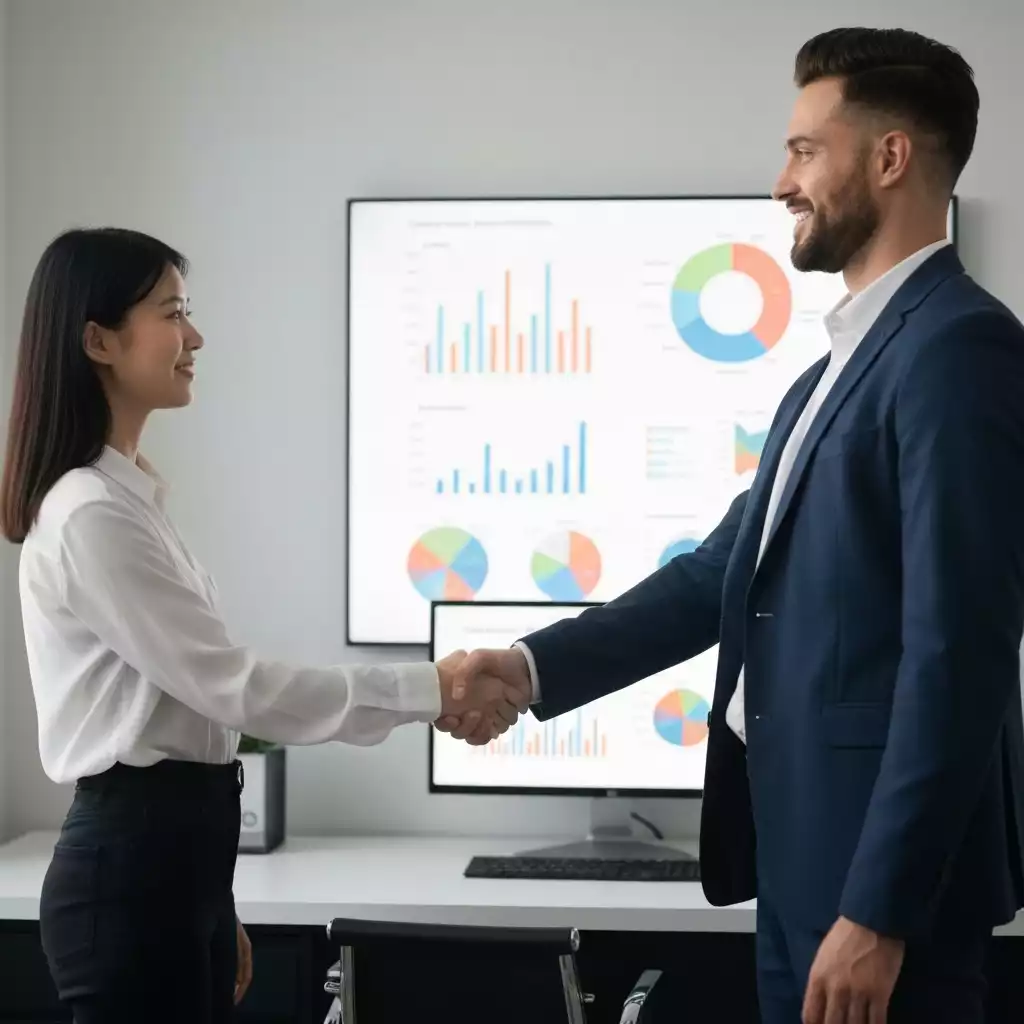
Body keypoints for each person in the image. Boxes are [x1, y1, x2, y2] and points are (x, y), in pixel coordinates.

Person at [437, 26, 1024, 1024]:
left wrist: (878, 911)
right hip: (800, 868)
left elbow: (957, 657)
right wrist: (530, 669)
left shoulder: (959, 349)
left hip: (878, 896)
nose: (779, 181)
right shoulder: (824, 377)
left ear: (888, 159)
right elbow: (719, 573)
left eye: (803, 149)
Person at [0, 227, 527, 1023]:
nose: (195, 337)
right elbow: (232, 687)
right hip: (131, 877)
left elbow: (194, 710)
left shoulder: (129, 501)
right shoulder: (89, 517)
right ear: (98, 340)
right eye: (173, 313)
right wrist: (437, 685)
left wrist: (213, 900)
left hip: (174, 869)